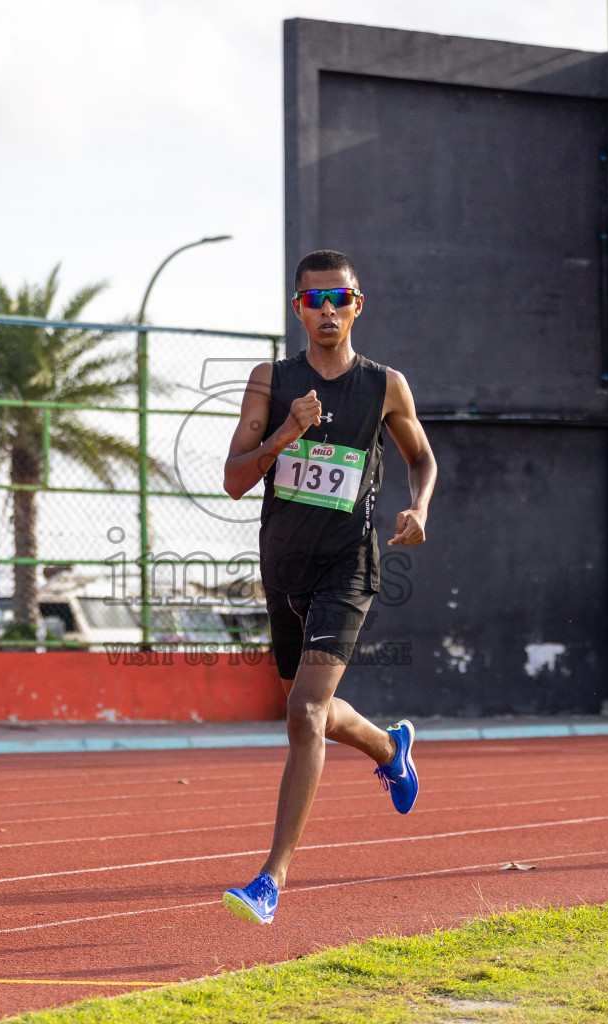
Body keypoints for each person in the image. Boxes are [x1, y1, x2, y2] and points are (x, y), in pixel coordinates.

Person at [219, 249, 437, 923]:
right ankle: (386, 745)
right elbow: (233, 479)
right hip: (284, 569)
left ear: (357, 305)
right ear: (298, 310)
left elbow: (422, 457)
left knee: (305, 715)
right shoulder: (270, 381)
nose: (327, 312)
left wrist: (419, 506)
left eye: (338, 299)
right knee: (308, 706)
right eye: (313, 301)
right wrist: (287, 431)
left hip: (350, 566)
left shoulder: (384, 385)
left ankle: (270, 879)